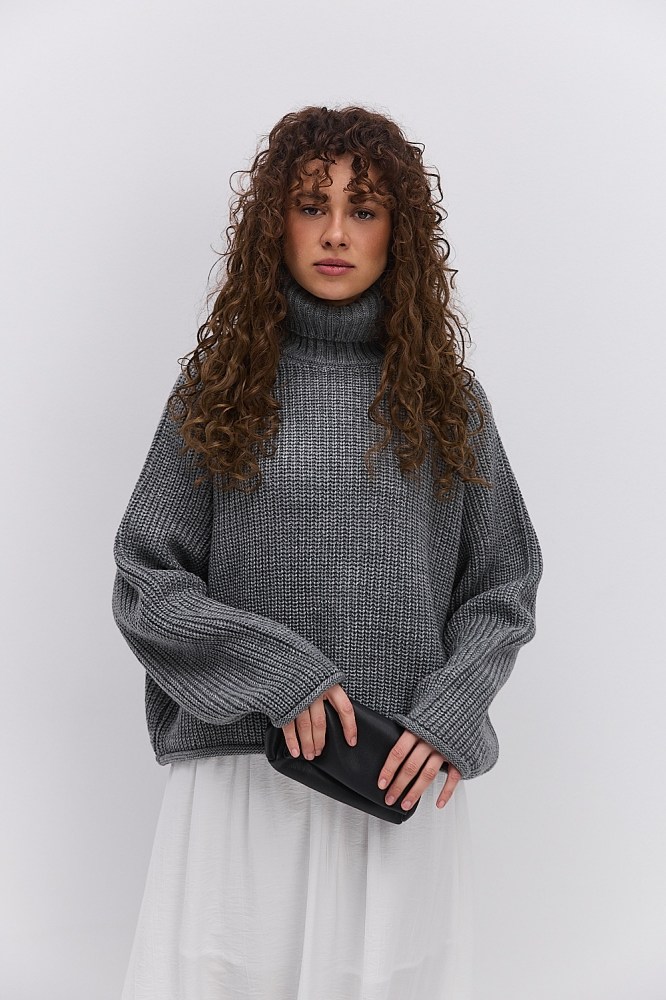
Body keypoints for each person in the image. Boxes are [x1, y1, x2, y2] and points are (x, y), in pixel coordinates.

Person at [111, 104, 544, 1000]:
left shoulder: (447, 400)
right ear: (276, 222)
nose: (336, 233)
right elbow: (147, 577)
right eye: (312, 206)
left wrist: (452, 710)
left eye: (364, 209)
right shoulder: (220, 389)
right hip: (245, 782)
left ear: (399, 233)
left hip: (392, 777)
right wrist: (281, 674)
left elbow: (503, 582)